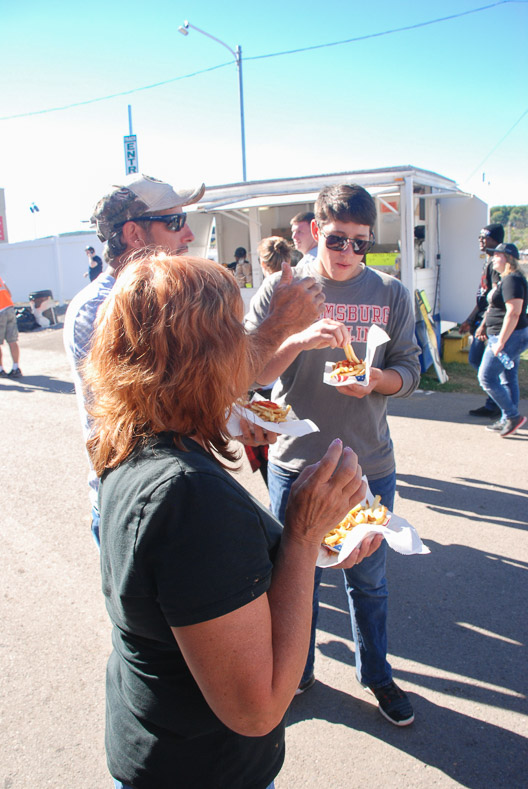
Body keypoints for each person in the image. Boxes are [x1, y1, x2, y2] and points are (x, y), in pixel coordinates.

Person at [84, 251, 379, 789]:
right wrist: (302, 535)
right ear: (205, 357)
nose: (246, 348)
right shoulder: (188, 497)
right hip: (204, 771)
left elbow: (205, 585)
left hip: (155, 742)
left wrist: (221, 418)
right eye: (235, 333)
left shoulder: (129, 437)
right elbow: (257, 710)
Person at [64, 174, 325, 545]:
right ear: (134, 233)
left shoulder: (159, 298)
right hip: (150, 505)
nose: (188, 234)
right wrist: (279, 324)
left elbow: (189, 391)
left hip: (175, 487)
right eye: (174, 222)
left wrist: (233, 418)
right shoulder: (104, 307)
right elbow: (158, 411)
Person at [245, 183, 421, 726]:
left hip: (368, 465)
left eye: (360, 243)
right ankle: (295, 672)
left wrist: (376, 381)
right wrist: (298, 340)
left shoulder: (390, 292)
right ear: (316, 230)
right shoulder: (284, 288)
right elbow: (249, 370)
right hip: (296, 463)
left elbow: (410, 371)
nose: (348, 252)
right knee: (296, 578)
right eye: (337, 239)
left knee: (368, 578)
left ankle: (377, 675)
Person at [244, 236, 294, 485]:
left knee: (268, 455)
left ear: (262, 264)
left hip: (261, 390)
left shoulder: (263, 295)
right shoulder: (299, 292)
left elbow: (249, 346)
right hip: (288, 388)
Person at [477, 242, 528, 437]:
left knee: (486, 377)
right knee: (507, 377)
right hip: (504, 335)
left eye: (497, 255)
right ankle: (508, 418)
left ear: (508, 258)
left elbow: (513, 313)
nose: (493, 259)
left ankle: (512, 416)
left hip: (508, 337)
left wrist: (501, 342)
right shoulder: (506, 279)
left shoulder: (512, 280)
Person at [461, 223, 504, 418]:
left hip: (491, 324)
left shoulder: (497, 265)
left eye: (484, 237)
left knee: (484, 365)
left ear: (495, 239)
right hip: (481, 320)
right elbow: (482, 298)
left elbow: (493, 300)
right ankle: (496, 401)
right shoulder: (488, 262)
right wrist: (470, 319)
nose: (480, 240)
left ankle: (499, 403)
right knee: (481, 362)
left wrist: (484, 325)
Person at [0, 276, 22, 378]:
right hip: (9, 309)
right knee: (12, 341)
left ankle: (1, 370)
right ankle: (16, 368)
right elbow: (9, 293)